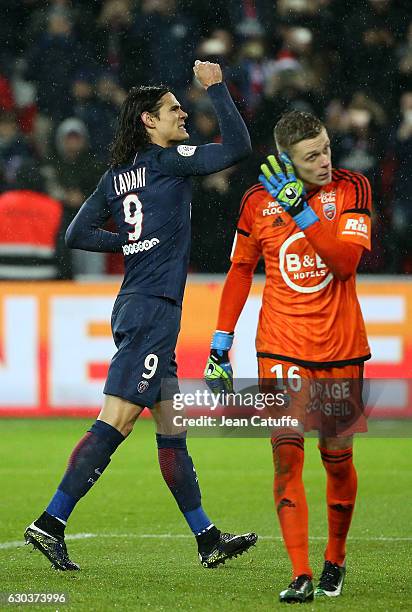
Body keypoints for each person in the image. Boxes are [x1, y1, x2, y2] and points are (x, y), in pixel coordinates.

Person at [24, 61, 257, 570]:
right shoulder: (171, 161)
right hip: (151, 311)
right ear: (149, 121)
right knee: (118, 420)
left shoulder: (115, 177)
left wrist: (127, 242)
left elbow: (77, 234)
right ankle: (50, 522)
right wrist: (216, 89)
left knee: (172, 429)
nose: (183, 117)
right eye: (175, 110)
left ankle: (207, 538)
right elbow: (238, 148)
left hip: (142, 305)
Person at [204, 110, 372, 602]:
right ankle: (300, 575)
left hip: (341, 348)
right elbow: (239, 270)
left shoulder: (352, 188)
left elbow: (343, 266)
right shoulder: (257, 201)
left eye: (326, 149)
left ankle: (334, 559)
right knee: (286, 458)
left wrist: (302, 213)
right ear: (286, 160)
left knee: (337, 460)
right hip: (279, 347)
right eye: (311, 156)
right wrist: (221, 340)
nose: (324, 161)